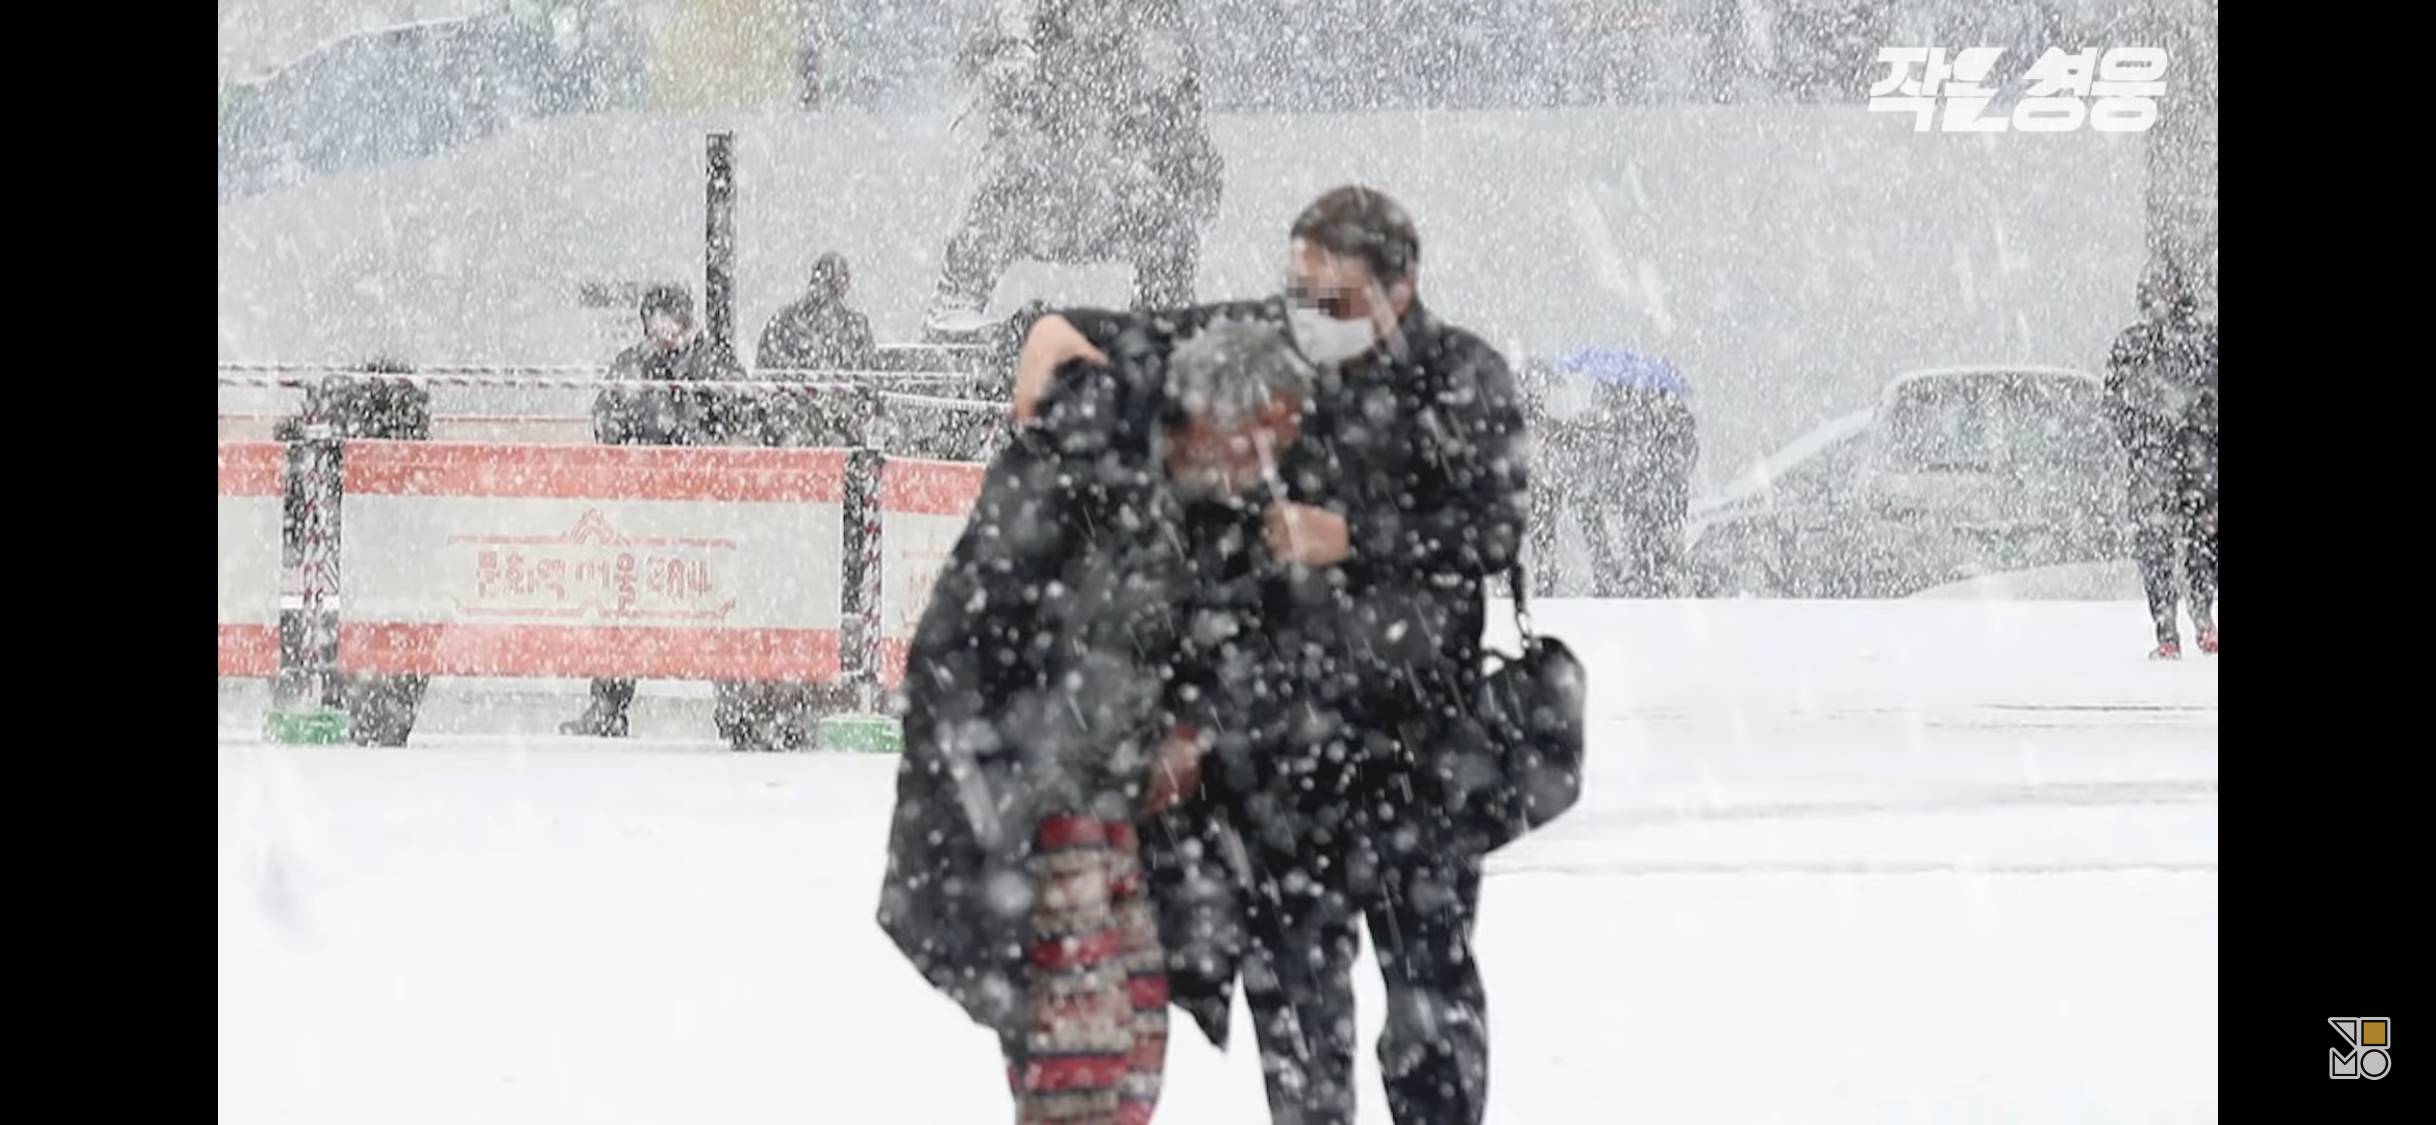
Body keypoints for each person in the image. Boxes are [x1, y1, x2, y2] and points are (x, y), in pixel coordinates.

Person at [1011, 185, 1532, 1125]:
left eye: (1329, 298)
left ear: (1397, 290)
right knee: (1294, 1005)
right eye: (1296, 291)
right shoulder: (1271, 357)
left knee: (1430, 995)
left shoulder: (1462, 377)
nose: (1307, 315)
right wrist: (1063, 328)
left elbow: (1492, 526)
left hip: (1419, 747)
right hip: (1286, 757)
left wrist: (1355, 535)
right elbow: (1160, 339)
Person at [878, 314, 1317, 1125]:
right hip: (1035, 797)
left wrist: (1188, 727)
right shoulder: (1082, 460)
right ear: (1213, 415)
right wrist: (1026, 772)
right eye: (1259, 441)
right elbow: (967, 644)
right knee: (1079, 1049)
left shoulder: (1194, 491)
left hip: (1112, 796)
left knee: (1136, 1025)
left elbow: (1201, 640)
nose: (1266, 468)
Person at [560, 284, 790, 747]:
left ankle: (737, 708)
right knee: (624, 606)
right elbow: (605, 421)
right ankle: (608, 704)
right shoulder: (630, 366)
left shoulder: (714, 365)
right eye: (657, 319)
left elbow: (748, 416)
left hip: (705, 517)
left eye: (672, 319)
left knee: (718, 607)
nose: (664, 329)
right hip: (643, 515)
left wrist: (696, 437)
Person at [920, 0, 1223, 339]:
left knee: (1167, 237)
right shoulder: (1006, 180)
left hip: (1114, 192)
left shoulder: (1153, 204)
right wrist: (1002, 340)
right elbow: (942, 323)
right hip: (1047, 180)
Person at [2104, 268, 2218, 659]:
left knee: (2198, 540)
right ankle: (2172, 629)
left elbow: (2117, 404)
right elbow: (2116, 405)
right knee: (2162, 544)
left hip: (2190, 461)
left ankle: (2199, 619)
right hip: (2172, 461)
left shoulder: (2200, 342)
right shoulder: (2144, 343)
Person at [756, 251, 876, 449]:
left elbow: (764, 378)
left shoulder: (781, 322)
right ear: (843, 284)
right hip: (837, 442)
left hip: (786, 440)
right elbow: (868, 386)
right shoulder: (855, 327)